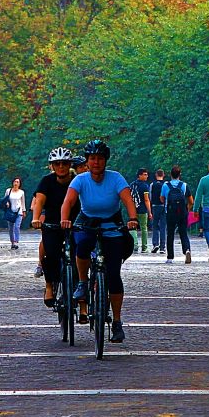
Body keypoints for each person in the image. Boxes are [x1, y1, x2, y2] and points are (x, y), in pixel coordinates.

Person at [60, 140, 138, 343]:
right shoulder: (80, 180)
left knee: (113, 274)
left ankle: (117, 322)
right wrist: (65, 219)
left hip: (111, 223)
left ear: (106, 161)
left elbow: (127, 199)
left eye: (100, 159)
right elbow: (68, 201)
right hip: (87, 221)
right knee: (83, 244)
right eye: (92, 159)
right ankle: (83, 283)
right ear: (87, 162)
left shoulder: (116, 178)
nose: (96, 162)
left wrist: (132, 219)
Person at [32, 148, 82, 315]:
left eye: (65, 163)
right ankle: (49, 285)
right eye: (57, 164)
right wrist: (36, 218)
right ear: (52, 166)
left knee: (80, 255)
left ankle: (78, 286)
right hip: (53, 223)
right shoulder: (46, 181)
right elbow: (39, 201)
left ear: (70, 165)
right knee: (51, 253)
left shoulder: (77, 180)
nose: (61, 167)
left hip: (75, 223)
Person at [162, 165, 194, 264]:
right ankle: (187, 250)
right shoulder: (184, 185)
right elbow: (191, 201)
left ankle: (170, 257)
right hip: (182, 212)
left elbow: (162, 198)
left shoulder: (165, 185)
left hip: (170, 212)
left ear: (170, 174)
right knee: (183, 233)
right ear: (180, 175)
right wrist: (187, 209)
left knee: (170, 234)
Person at [130, 168, 152, 253]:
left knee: (133, 227)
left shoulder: (132, 184)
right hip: (142, 209)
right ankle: (144, 247)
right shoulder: (144, 186)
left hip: (133, 209)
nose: (147, 176)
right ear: (140, 175)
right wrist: (149, 212)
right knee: (144, 228)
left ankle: (134, 245)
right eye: (145, 174)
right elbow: (146, 200)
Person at [3, 177, 26, 250]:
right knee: (10, 228)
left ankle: (16, 241)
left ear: (19, 184)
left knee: (17, 227)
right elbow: (5, 199)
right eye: (15, 182)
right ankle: (12, 242)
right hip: (10, 211)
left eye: (17, 182)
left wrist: (24, 211)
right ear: (13, 183)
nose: (16, 183)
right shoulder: (8, 191)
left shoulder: (21, 192)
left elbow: (23, 202)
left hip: (19, 212)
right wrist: (6, 203)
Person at [150, 169, 167, 254]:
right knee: (163, 227)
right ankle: (162, 247)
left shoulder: (152, 184)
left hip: (155, 206)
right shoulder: (166, 184)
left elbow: (150, 196)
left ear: (156, 175)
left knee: (155, 226)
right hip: (164, 207)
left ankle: (155, 244)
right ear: (163, 175)